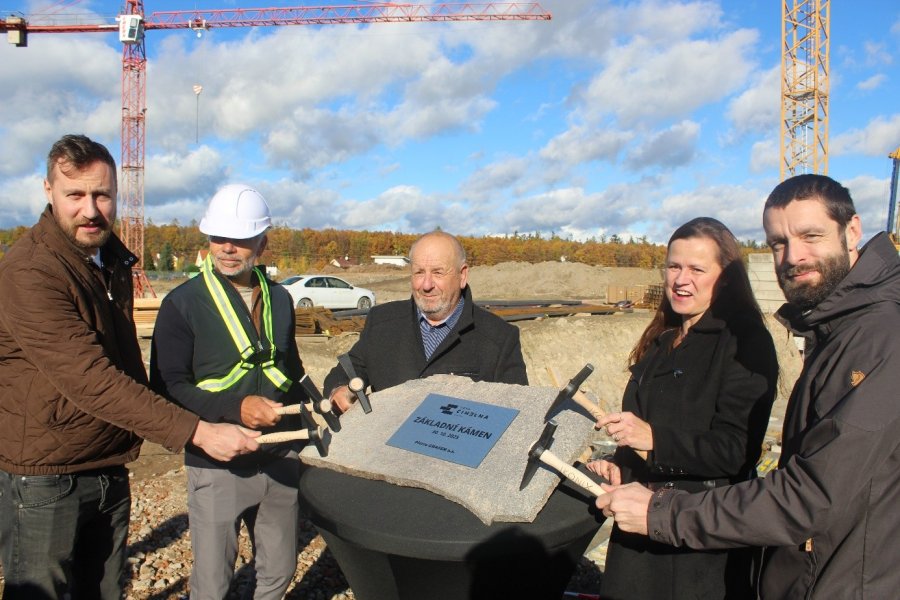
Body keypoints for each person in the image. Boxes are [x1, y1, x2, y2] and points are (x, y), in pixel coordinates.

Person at [597, 174, 900, 599]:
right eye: (778, 243)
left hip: (707, 541)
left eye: (811, 235)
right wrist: (623, 461)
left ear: (852, 231)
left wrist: (658, 471)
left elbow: (798, 487)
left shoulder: (877, 336)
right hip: (674, 525)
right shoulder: (661, 340)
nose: (793, 256)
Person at [0, 134, 260, 600]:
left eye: (101, 194)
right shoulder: (30, 271)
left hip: (107, 460)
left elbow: (129, 368)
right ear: (47, 190)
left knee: (103, 589)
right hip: (44, 474)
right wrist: (196, 431)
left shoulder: (108, 258)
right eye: (74, 195)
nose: (90, 209)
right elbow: (91, 378)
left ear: (117, 193)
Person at [585, 217, 778, 599]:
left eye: (696, 269)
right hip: (639, 535)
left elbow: (735, 451)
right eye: (674, 266)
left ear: (725, 278)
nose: (680, 279)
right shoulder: (662, 341)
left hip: (698, 542)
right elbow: (645, 432)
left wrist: (654, 441)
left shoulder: (745, 344)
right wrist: (621, 464)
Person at [150, 184, 309, 600]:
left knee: (278, 569)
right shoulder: (182, 304)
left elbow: (289, 369)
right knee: (213, 582)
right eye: (218, 238)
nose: (227, 249)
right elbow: (166, 387)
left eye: (239, 239)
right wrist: (236, 406)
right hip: (216, 461)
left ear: (262, 241)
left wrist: (321, 403)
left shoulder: (280, 299)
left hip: (278, 455)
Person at [324, 230, 527, 410]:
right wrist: (339, 390)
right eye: (419, 272)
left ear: (462, 275)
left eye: (438, 272)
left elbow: (517, 411)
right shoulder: (382, 323)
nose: (426, 284)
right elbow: (346, 370)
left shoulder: (499, 338)